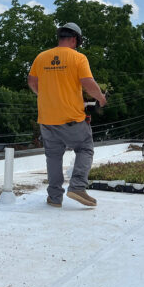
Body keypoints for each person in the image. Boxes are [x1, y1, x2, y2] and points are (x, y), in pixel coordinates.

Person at [27, 22, 107, 208]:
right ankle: (77, 186)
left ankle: (55, 198)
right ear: (74, 39)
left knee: (53, 157)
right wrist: (101, 98)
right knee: (85, 148)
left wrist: (44, 95)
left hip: (47, 119)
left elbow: (32, 81)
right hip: (72, 118)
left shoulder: (41, 57)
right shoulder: (78, 58)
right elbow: (87, 82)